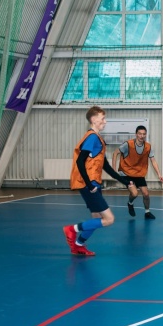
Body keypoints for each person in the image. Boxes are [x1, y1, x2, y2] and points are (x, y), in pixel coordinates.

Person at [63, 106, 133, 256]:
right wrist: (89, 185)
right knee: (109, 219)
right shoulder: (92, 137)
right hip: (89, 184)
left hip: (93, 183)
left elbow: (106, 166)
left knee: (96, 218)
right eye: (103, 118)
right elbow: (80, 161)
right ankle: (72, 229)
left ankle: (78, 245)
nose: (105, 121)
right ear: (94, 120)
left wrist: (125, 181)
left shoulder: (98, 139)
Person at [112, 125, 163, 220]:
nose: (142, 136)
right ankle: (130, 203)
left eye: (144, 134)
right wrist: (113, 170)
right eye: (140, 134)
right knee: (135, 193)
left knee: (146, 194)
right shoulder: (128, 144)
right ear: (136, 134)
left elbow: (153, 160)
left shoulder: (148, 146)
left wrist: (159, 175)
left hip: (138, 172)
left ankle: (147, 212)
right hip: (126, 172)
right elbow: (115, 153)